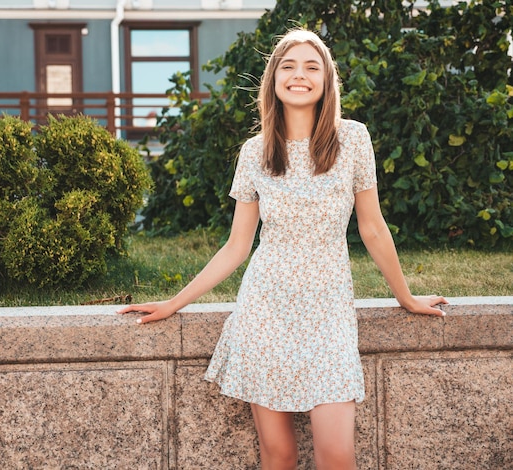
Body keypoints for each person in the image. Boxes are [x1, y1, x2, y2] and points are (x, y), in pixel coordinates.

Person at [117, 28, 448, 470]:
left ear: (327, 81)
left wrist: (405, 297)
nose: (299, 75)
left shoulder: (352, 139)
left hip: (328, 313)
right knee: (278, 455)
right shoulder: (255, 152)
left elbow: (372, 228)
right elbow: (237, 246)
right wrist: (173, 303)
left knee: (336, 455)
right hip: (265, 312)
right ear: (273, 79)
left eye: (312, 67)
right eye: (288, 66)